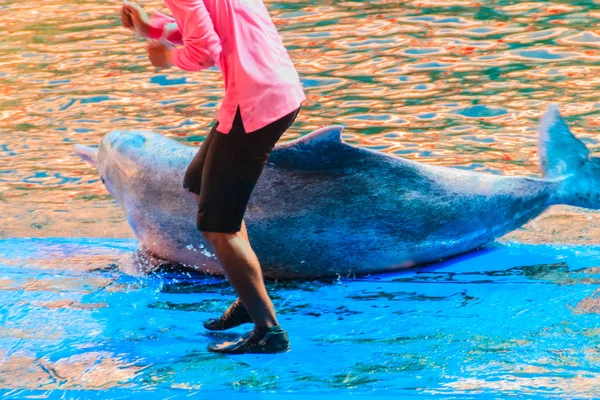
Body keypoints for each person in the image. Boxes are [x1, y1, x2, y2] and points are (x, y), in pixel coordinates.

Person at [120, 0, 305, 354]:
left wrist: (168, 60)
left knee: (219, 225)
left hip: (255, 102)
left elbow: (204, 50)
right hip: (273, 90)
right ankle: (250, 298)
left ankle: (268, 331)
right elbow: (207, 29)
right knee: (199, 184)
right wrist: (151, 28)